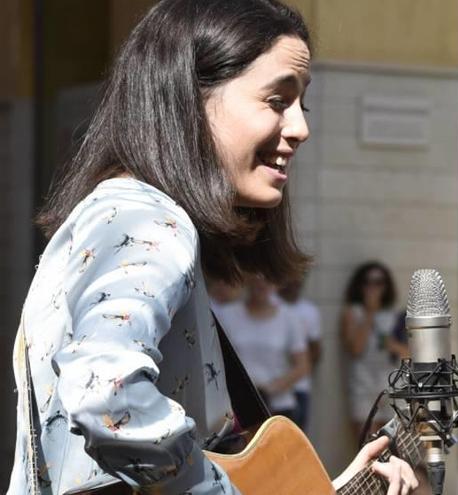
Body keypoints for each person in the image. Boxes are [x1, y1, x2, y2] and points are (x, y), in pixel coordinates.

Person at [8, 1, 417, 493]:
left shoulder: (127, 214)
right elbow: (105, 393)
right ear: (191, 97)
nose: (300, 128)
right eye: (277, 100)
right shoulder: (146, 216)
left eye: (301, 105)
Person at [212, 276, 310, 422]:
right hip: (236, 407)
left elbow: (302, 366)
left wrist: (270, 389)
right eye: (257, 276)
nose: (262, 282)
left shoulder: (289, 316)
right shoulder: (227, 315)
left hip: (278, 406)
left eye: (268, 276)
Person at [340, 261, 405, 442]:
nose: (373, 288)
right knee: (366, 444)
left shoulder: (395, 315)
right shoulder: (353, 313)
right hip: (362, 385)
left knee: (392, 446)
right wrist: (370, 312)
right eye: (367, 282)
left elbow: (408, 353)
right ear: (360, 285)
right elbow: (355, 349)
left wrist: (392, 345)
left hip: (390, 385)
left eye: (378, 282)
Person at [277, 277, 323, 430]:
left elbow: (316, 349)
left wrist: (299, 366)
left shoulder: (309, 311)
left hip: (299, 387)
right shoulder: (270, 306)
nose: (293, 282)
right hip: (271, 389)